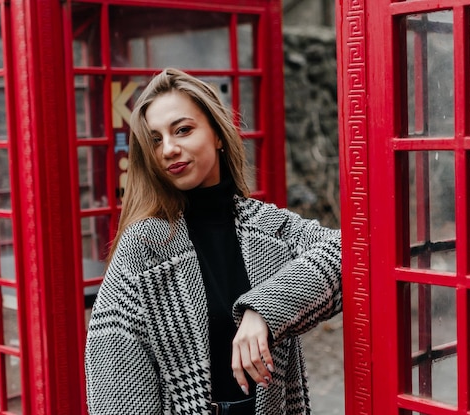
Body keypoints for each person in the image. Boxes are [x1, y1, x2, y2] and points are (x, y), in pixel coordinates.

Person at [84, 68, 342, 415]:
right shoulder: (143, 247)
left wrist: (263, 311)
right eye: (156, 139)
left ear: (218, 135)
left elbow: (353, 251)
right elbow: (114, 382)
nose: (169, 149)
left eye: (183, 130)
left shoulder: (267, 226)